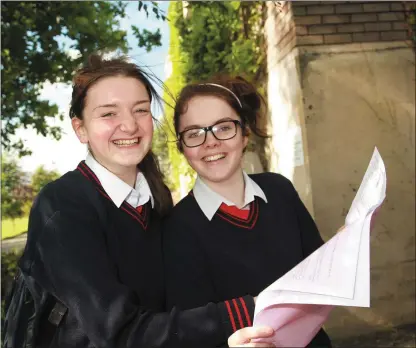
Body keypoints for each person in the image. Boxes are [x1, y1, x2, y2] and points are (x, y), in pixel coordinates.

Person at [3, 55, 273, 348]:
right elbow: (118, 332)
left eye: (140, 110)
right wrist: (244, 312)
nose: (129, 125)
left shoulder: (155, 200)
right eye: (109, 114)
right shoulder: (61, 207)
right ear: (80, 129)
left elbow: (169, 310)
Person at [163, 76, 332, 347]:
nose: (211, 142)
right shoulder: (176, 228)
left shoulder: (280, 190)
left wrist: (347, 247)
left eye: (223, 127)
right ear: (182, 148)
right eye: (194, 133)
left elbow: (319, 270)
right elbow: (190, 329)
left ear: (244, 134)